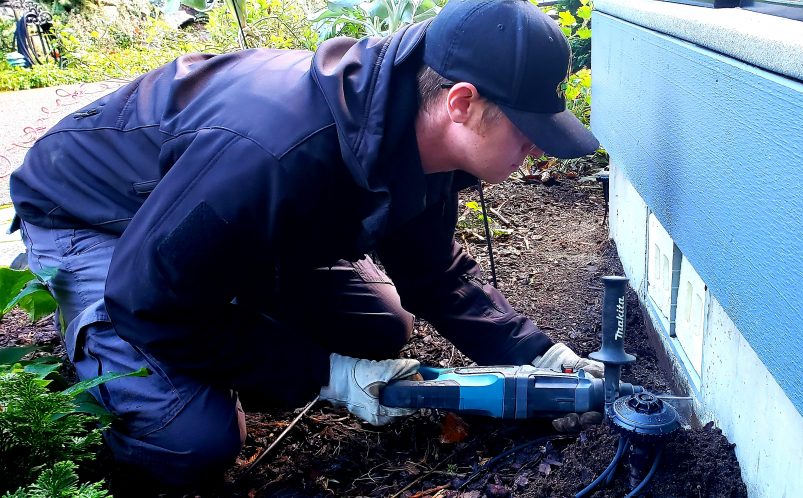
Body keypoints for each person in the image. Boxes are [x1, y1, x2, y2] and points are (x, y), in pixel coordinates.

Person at [9, 0, 605, 488]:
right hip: (100, 216)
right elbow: (147, 302)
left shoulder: (416, 131)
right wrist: (327, 374)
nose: (537, 148)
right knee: (194, 441)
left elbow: (432, 275)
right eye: (527, 130)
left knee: (380, 328)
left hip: (210, 220)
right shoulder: (274, 152)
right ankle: (102, 343)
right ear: (462, 103)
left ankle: (221, 303)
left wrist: (541, 356)